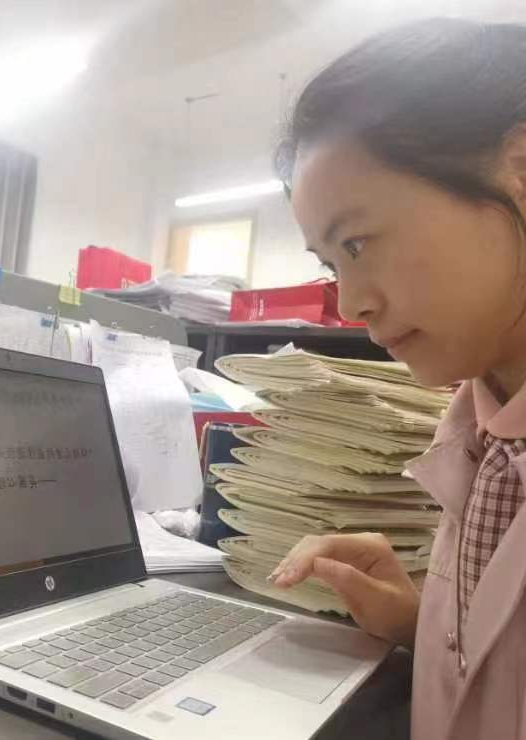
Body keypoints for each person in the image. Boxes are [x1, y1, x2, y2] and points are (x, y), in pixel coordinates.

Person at [269, 17, 526, 740]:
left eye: (357, 243)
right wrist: (422, 623)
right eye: (331, 265)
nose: (350, 304)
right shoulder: (487, 434)